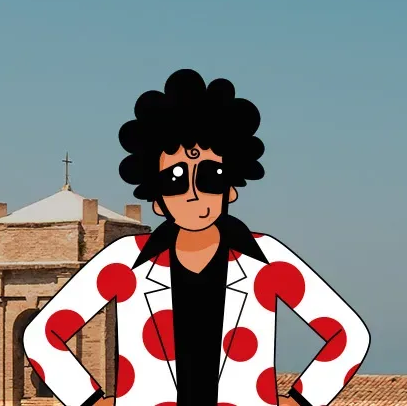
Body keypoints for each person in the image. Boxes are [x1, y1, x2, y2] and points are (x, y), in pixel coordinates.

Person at [23, 69, 370, 406]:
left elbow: (348, 335)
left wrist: (302, 400)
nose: (192, 193)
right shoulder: (124, 261)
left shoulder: (267, 258)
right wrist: (90, 400)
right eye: (175, 181)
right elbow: (42, 336)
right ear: (157, 199)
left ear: (230, 188)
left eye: (210, 176)